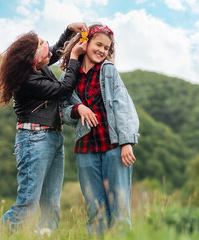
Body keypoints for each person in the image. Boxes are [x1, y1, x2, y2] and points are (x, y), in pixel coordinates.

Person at [0, 22, 88, 233]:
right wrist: (73, 59)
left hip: (53, 138)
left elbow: (54, 51)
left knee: (51, 204)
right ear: (32, 60)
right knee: (27, 205)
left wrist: (69, 30)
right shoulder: (27, 80)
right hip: (34, 139)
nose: (49, 58)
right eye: (44, 56)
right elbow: (63, 89)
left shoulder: (36, 66)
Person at [59, 23, 139, 235]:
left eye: (107, 47)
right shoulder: (69, 77)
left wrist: (127, 142)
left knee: (119, 211)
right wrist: (78, 108)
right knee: (96, 211)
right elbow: (62, 112)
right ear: (85, 43)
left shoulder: (108, 70)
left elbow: (123, 105)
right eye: (99, 44)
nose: (102, 50)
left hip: (114, 146)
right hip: (86, 149)